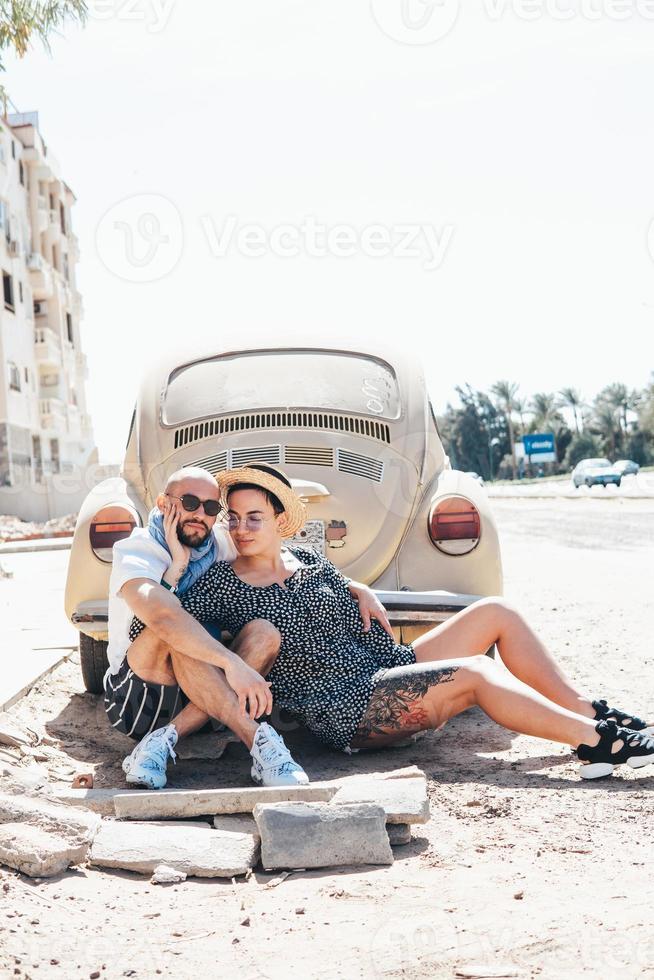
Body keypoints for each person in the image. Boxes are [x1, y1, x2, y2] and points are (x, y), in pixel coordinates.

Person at [129, 462, 653, 782]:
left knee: (497, 612)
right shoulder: (219, 582)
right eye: (234, 518)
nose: (241, 528)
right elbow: (177, 633)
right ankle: (595, 740)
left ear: (279, 523)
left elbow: (337, 588)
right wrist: (175, 564)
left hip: (386, 665)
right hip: (346, 704)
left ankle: (595, 713)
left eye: (254, 518)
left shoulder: (309, 561)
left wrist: (359, 588)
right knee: (474, 672)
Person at [105, 466, 308, 789]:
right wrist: (232, 663)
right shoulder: (137, 549)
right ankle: (258, 740)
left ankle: (162, 741)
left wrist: (356, 587)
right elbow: (161, 616)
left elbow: (275, 552)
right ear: (162, 503)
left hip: (205, 694)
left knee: (264, 632)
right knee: (176, 627)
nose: (200, 514)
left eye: (211, 507)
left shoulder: (219, 545)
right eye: (189, 502)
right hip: (141, 699)